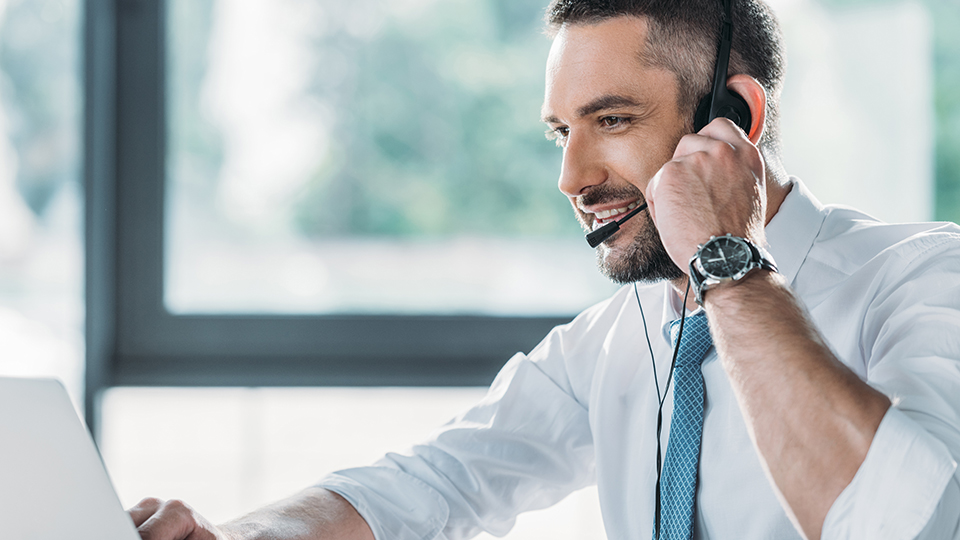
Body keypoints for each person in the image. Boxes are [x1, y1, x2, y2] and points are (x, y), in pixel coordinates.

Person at [130, 0, 960, 539]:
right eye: (563, 132)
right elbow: (438, 482)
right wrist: (233, 537)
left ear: (733, 118)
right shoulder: (612, 345)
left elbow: (900, 522)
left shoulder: (922, 280)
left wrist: (724, 261)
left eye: (612, 119)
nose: (572, 177)